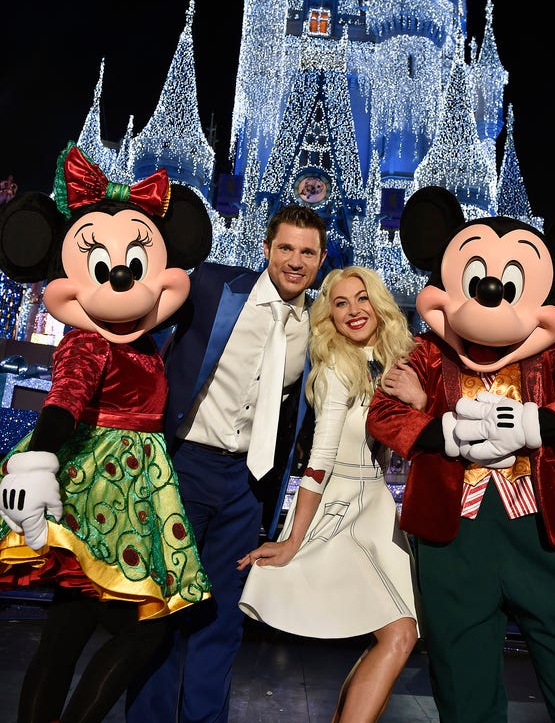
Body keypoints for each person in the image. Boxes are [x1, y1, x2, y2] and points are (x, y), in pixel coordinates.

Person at [366, 186, 555, 723]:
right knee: (463, 686)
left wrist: (533, 423)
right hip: (455, 536)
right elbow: (385, 414)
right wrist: (445, 431)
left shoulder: (553, 356)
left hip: (545, 534)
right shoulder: (430, 353)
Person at [0, 142, 213, 723]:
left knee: (66, 633)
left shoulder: (140, 341)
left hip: (127, 489)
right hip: (102, 492)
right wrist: (37, 456)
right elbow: (66, 399)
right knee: (143, 629)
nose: (122, 278)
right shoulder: (91, 339)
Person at [125, 204, 328, 723]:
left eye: (307, 252)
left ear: (322, 259)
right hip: (183, 469)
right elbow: (136, 321)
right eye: (286, 248)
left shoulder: (319, 326)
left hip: (248, 484)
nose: (295, 260)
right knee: (164, 606)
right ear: (266, 249)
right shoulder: (213, 285)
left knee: (221, 618)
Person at [237, 266, 422, 723]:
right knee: (399, 633)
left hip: (377, 505)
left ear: (379, 304)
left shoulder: (399, 360)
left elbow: (420, 441)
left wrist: (418, 402)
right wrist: (293, 539)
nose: (354, 310)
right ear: (329, 317)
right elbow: (319, 458)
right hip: (342, 505)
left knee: (401, 635)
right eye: (340, 303)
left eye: (361, 299)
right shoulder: (339, 365)